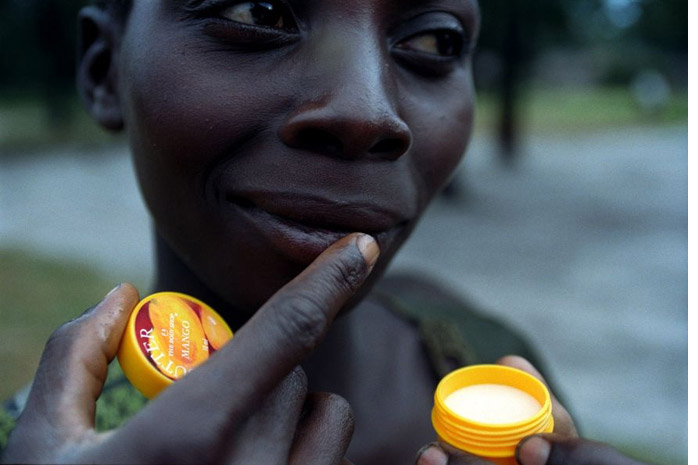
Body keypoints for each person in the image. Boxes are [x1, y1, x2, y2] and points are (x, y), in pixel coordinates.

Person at [1, 1, 644, 464]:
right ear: (102, 66)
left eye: (432, 41)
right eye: (258, 12)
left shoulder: (486, 360)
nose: (367, 111)